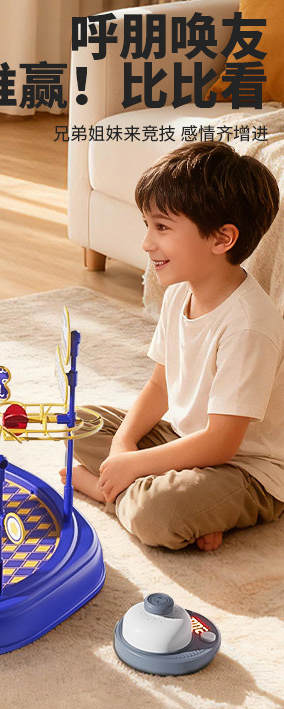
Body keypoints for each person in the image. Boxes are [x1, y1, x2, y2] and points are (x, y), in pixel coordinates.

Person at [66, 141, 284, 552]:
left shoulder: (249, 326)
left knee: (158, 515)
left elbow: (221, 443)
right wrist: (123, 445)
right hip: (181, 439)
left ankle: (110, 493)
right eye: (147, 225)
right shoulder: (179, 293)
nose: (147, 243)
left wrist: (132, 465)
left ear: (222, 238)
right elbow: (160, 386)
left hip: (245, 469)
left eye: (162, 228)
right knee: (74, 423)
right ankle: (186, 508)